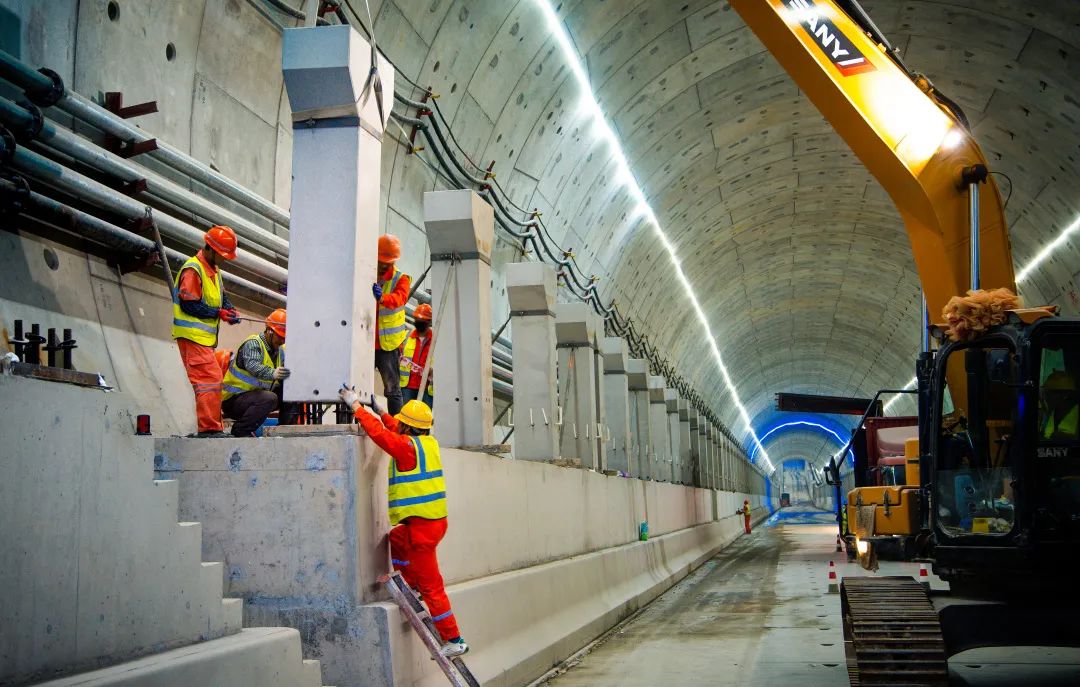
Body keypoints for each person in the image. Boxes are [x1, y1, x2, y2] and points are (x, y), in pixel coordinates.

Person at [338, 387, 468, 658]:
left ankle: (453, 638)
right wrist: (382, 411)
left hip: (422, 531)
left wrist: (357, 408)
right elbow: (396, 426)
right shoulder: (426, 444)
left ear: (409, 428)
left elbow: (381, 435)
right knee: (395, 539)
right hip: (432, 523)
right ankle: (411, 582)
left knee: (433, 587)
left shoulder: (405, 448)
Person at [172, 226, 240, 437]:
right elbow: (188, 305)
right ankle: (209, 429)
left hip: (203, 340)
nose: (224, 260)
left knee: (212, 380)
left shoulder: (213, 271)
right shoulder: (193, 269)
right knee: (208, 381)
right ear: (210, 249)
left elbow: (221, 296)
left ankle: (212, 427)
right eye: (222, 255)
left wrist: (229, 309)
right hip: (192, 338)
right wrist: (217, 313)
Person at [221, 308, 295, 437]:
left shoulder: (280, 349)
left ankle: (284, 430)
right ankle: (241, 430)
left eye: (285, 338)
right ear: (270, 332)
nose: (282, 341)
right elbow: (253, 366)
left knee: (291, 391)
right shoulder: (253, 344)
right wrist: (273, 373)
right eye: (280, 337)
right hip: (234, 400)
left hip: (255, 397)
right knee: (269, 398)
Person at [373, 234, 410, 415]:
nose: (381, 265)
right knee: (354, 384)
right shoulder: (368, 271)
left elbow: (399, 299)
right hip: (365, 340)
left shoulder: (401, 279)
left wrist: (382, 297)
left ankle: (396, 428)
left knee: (392, 389)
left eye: (384, 263)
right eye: (380, 261)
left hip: (387, 344)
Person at [400, 303, 434, 407]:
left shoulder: (436, 339)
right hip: (407, 387)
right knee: (405, 418)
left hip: (427, 388)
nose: (419, 322)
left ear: (429, 322)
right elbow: (399, 357)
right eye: (417, 319)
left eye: (422, 321)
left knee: (423, 420)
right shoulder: (407, 336)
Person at [1040, 371, 1078, 440]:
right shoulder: (1052, 412)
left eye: (1049, 393)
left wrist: (1065, 437)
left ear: (1065, 395)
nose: (1046, 397)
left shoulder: (1076, 413)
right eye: (1045, 393)